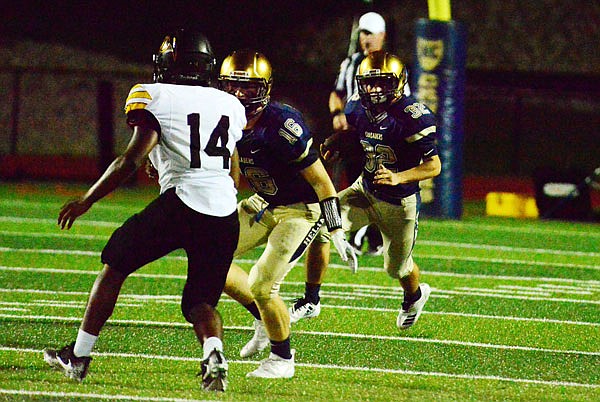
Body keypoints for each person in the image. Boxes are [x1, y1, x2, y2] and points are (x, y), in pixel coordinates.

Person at [42, 28, 245, 392]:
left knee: (115, 262)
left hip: (183, 201)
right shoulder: (230, 103)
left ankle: (79, 354)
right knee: (200, 300)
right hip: (224, 209)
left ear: (170, 63)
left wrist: (87, 199)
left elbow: (130, 159)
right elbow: (229, 167)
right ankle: (213, 354)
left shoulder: (156, 94)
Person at [217, 50, 357, 378]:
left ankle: (283, 358)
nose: (239, 95)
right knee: (210, 256)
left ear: (264, 89)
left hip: (300, 211)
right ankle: (263, 318)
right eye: (233, 86)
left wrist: (336, 231)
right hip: (263, 202)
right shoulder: (222, 117)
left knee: (263, 284)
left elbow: (323, 183)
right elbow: (233, 166)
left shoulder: (282, 123)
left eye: (248, 88)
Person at [322, 50, 440, 330]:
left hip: (400, 203)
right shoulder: (356, 107)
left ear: (398, 83)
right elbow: (358, 135)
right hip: (365, 189)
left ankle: (415, 295)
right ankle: (310, 299)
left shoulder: (413, 116)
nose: (375, 90)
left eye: (383, 83)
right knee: (320, 220)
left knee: (396, 269)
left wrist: (400, 177)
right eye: (369, 83)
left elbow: (433, 166)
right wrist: (337, 142)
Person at [289, 11, 392, 323]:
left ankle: (374, 235)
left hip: (379, 142)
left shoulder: (391, 67)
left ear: (383, 36)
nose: (365, 37)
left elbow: (401, 106)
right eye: (362, 32)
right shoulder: (350, 65)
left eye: (371, 33)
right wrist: (337, 114)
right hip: (351, 140)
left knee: (379, 201)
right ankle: (313, 295)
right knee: (340, 198)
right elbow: (337, 94)